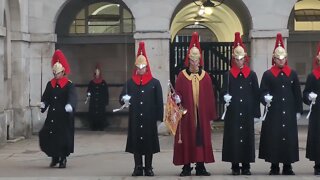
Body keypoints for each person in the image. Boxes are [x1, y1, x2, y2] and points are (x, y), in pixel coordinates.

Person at [173, 32, 217, 176]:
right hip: (187, 114)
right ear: (188, 60)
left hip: (201, 114)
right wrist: (177, 99)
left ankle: (200, 166)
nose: (194, 63)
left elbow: (210, 97)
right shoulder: (181, 76)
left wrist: (210, 117)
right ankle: (186, 166)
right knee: (186, 139)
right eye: (192, 60)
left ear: (200, 61)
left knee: (200, 139)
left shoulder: (206, 77)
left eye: (196, 60)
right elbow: (177, 93)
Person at [259, 33, 303, 175]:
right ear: (274, 58)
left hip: (288, 111)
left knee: (288, 138)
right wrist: (265, 98)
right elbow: (262, 91)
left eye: (283, 58)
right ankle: (274, 165)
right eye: (278, 58)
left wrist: (298, 110)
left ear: (286, 58)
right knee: (274, 138)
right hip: (274, 112)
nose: (281, 60)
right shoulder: (268, 74)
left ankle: (288, 165)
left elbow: (297, 93)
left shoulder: (293, 74)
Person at [119, 41, 163, 176]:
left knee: (149, 143)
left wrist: (159, 118)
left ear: (147, 67)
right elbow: (121, 98)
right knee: (136, 143)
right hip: (136, 118)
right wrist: (124, 99)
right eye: (138, 67)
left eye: (142, 67)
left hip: (149, 118)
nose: (140, 69)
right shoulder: (130, 83)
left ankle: (148, 167)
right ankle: (138, 166)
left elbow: (159, 101)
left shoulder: (155, 83)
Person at [221, 32, 260, 175]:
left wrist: (257, 114)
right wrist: (224, 98)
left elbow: (256, 95)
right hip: (233, 113)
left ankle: (246, 165)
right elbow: (222, 92)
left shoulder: (252, 75)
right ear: (233, 59)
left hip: (248, 112)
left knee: (247, 139)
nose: (239, 61)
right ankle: (235, 165)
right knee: (234, 139)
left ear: (245, 59)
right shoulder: (228, 75)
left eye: (241, 59)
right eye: (236, 59)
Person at [39, 49, 77, 168]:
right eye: (54, 73)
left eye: (58, 73)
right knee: (49, 136)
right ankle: (54, 157)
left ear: (63, 72)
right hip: (52, 116)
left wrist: (70, 105)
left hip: (63, 116)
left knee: (62, 138)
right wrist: (44, 104)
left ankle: (63, 158)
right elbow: (46, 97)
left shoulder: (69, 84)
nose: (56, 75)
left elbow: (72, 96)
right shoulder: (50, 84)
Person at [302, 43, 320, 175]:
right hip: (317, 113)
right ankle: (318, 165)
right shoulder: (312, 76)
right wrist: (310, 98)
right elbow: (305, 94)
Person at [86, 64, 109, 131]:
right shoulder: (91, 82)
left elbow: (106, 93)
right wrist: (88, 95)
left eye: (98, 73)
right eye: (96, 73)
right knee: (93, 115)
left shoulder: (103, 82)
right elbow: (88, 91)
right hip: (93, 101)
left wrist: (106, 101)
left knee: (101, 114)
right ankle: (94, 126)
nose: (97, 75)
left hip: (101, 101)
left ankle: (101, 126)